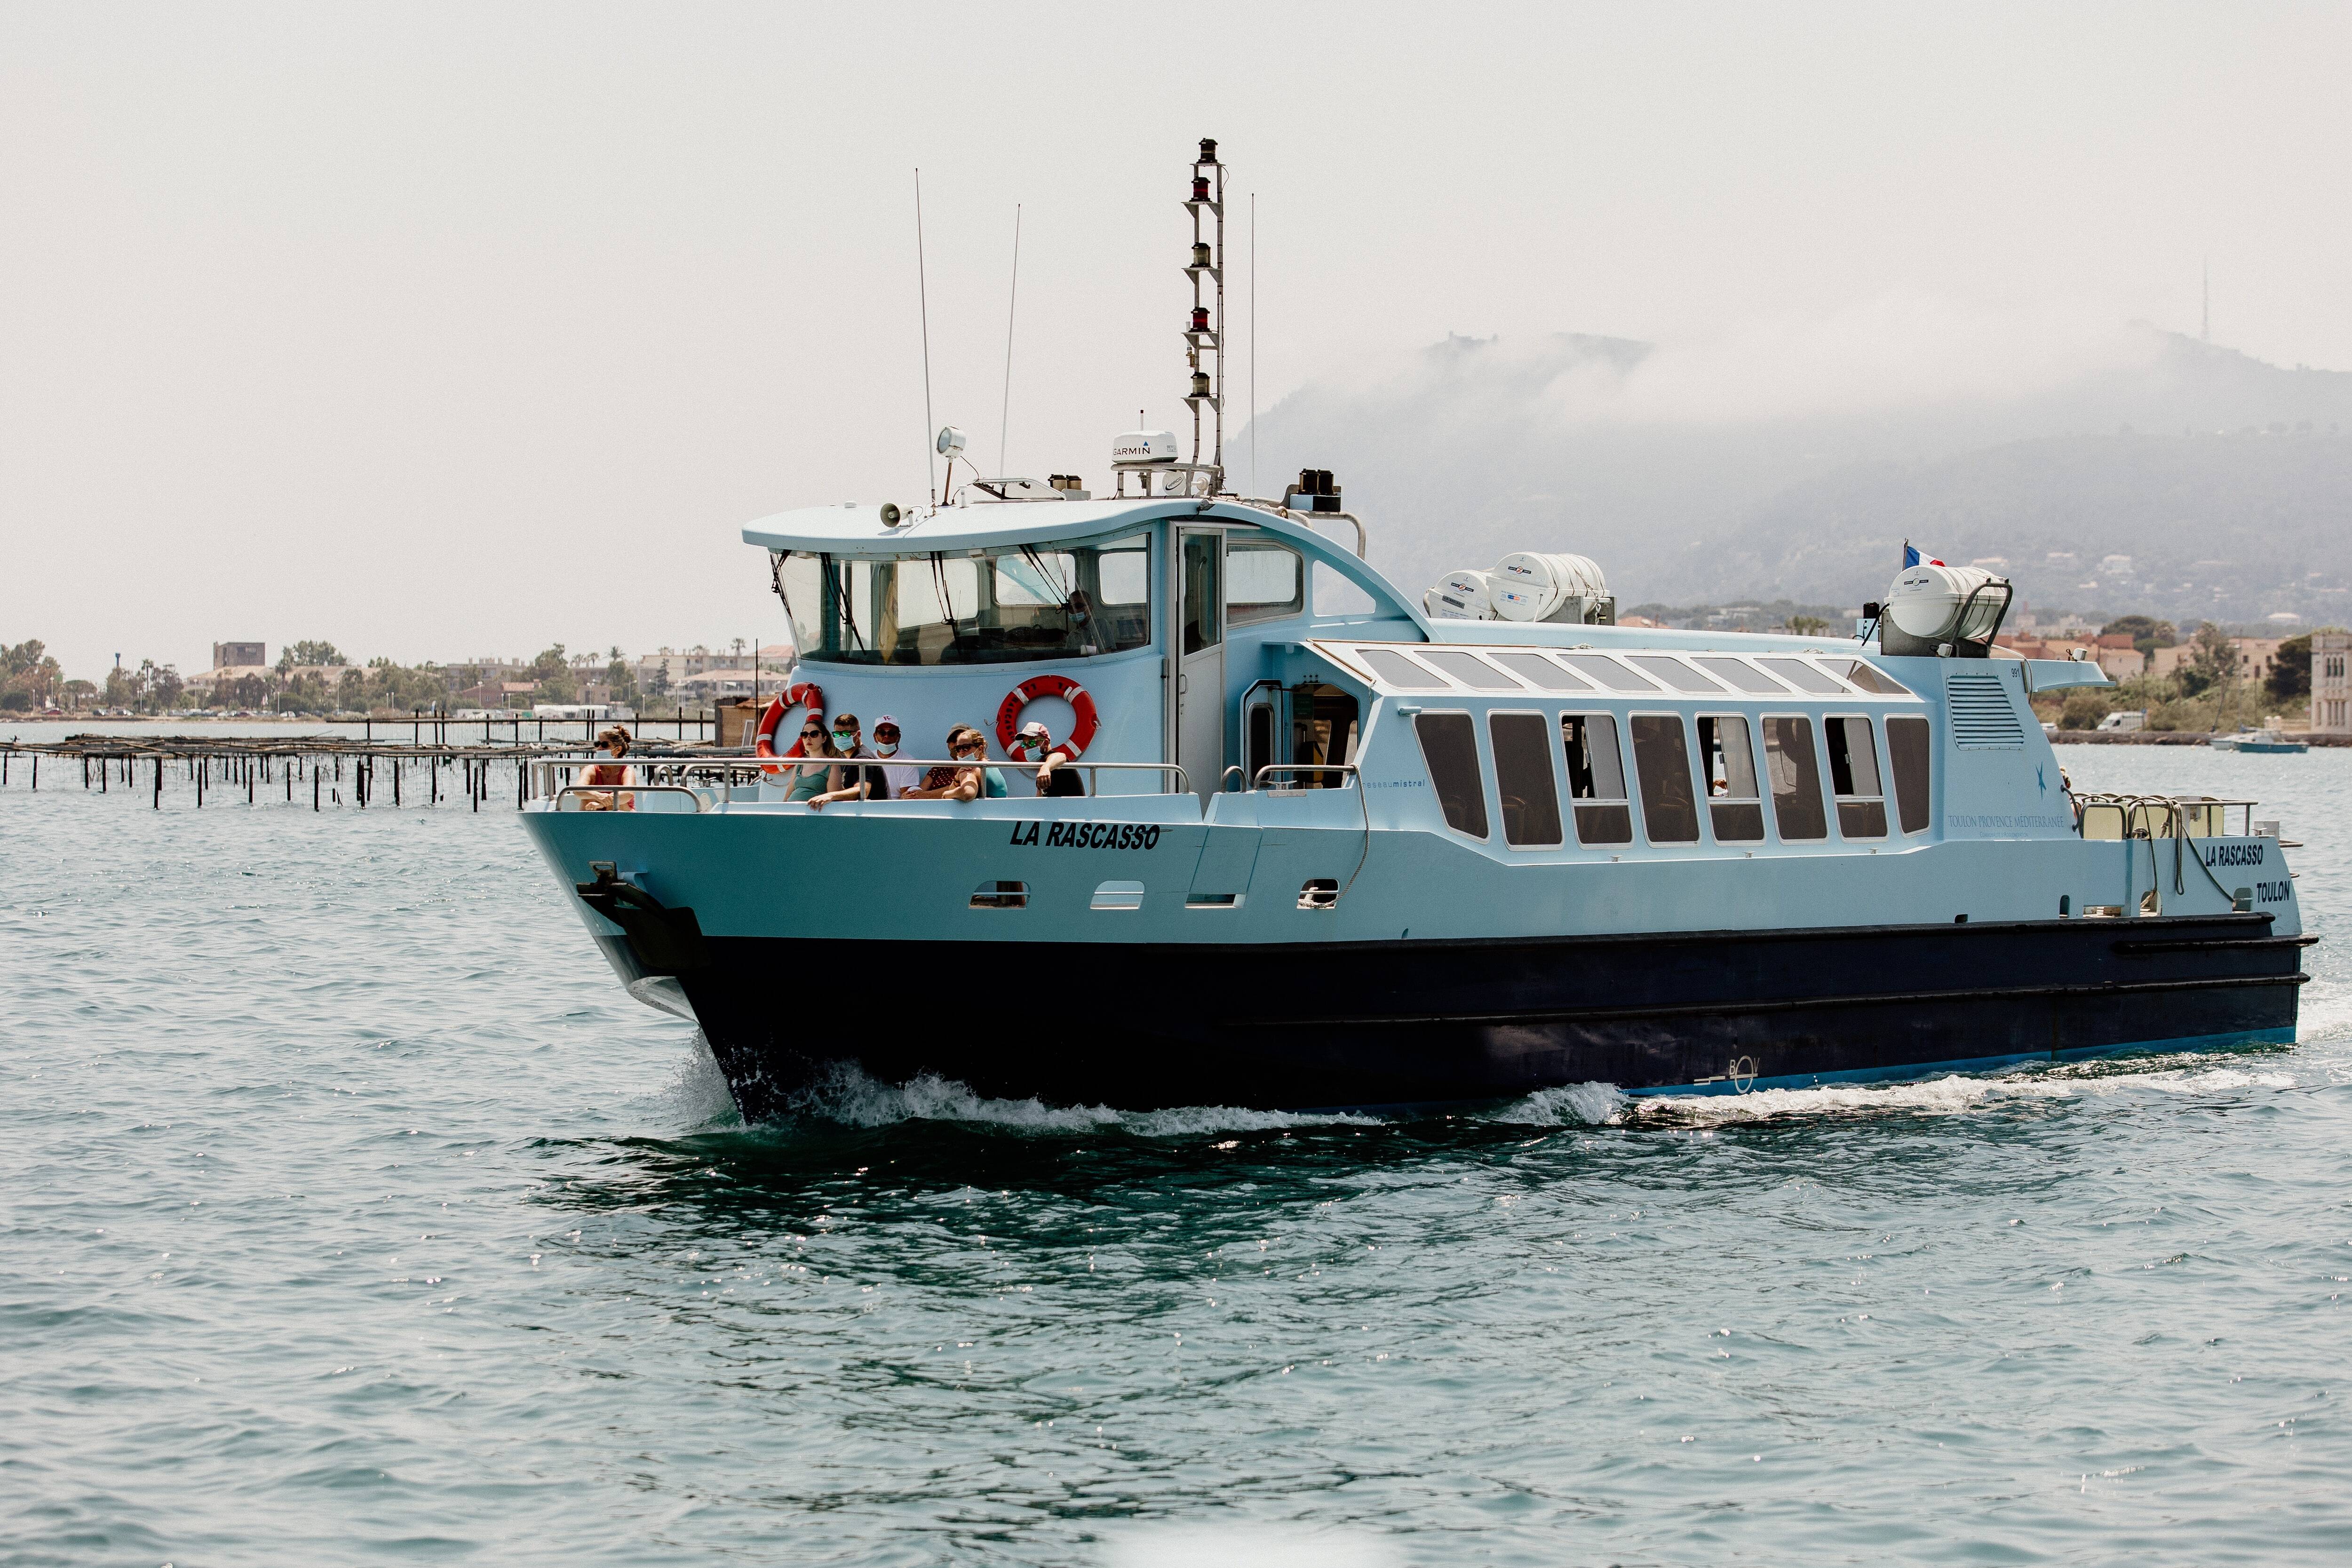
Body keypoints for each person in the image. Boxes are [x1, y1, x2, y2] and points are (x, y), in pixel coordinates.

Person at [806, 713, 891, 811]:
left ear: (858, 735)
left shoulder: (863, 759)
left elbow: (863, 790)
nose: (841, 738)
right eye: (837, 734)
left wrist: (831, 796)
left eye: (846, 734)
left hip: (875, 815)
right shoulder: (849, 759)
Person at [901, 724, 1007, 801]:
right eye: (958, 748)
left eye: (966, 747)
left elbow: (968, 793)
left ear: (980, 749)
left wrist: (946, 795)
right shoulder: (990, 767)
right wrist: (956, 781)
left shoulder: (971, 770)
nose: (961, 752)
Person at [1011, 718, 1087, 796]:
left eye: (1032, 742)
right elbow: (1039, 798)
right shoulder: (1042, 770)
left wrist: (1046, 768)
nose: (1027, 748)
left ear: (1046, 744)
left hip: (1073, 807)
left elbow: (1061, 756)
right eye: (1024, 745)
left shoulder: (1051, 762)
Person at [577, 725, 635, 811]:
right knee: (587, 799)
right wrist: (597, 796)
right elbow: (577, 789)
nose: (600, 748)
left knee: (618, 803)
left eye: (605, 745)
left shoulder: (627, 770)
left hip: (624, 818)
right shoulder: (591, 769)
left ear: (618, 750)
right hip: (596, 816)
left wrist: (601, 804)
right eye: (597, 744)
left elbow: (628, 793)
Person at [783, 716, 838, 803]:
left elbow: (834, 800)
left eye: (814, 734)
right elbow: (787, 797)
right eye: (804, 735)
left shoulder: (832, 765)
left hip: (813, 813)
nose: (808, 738)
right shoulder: (800, 764)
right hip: (792, 811)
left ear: (824, 739)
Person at [872, 714, 922, 800]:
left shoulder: (909, 763)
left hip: (894, 809)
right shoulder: (867, 759)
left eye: (891, 733)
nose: (886, 737)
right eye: (882, 733)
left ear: (898, 737)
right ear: (875, 737)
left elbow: (905, 799)